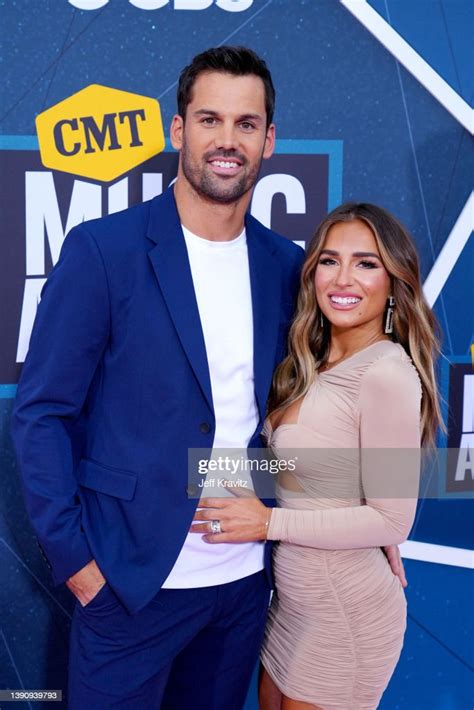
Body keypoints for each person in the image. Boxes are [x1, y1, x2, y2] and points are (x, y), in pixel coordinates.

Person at [12, 46, 303, 709]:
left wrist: (370, 522)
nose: (227, 141)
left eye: (246, 124)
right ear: (179, 132)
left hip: (241, 594)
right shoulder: (103, 252)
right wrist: (80, 568)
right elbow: (41, 414)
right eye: (209, 119)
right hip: (128, 587)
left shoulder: (288, 266)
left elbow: (275, 427)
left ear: (269, 140)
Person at [191, 203, 442, 710]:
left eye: (366, 263)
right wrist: (195, 473)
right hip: (292, 605)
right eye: (329, 260)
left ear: (395, 281)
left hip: (346, 614)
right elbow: (301, 473)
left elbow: (393, 521)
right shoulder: (312, 358)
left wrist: (268, 524)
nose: (343, 278)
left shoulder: (387, 374)